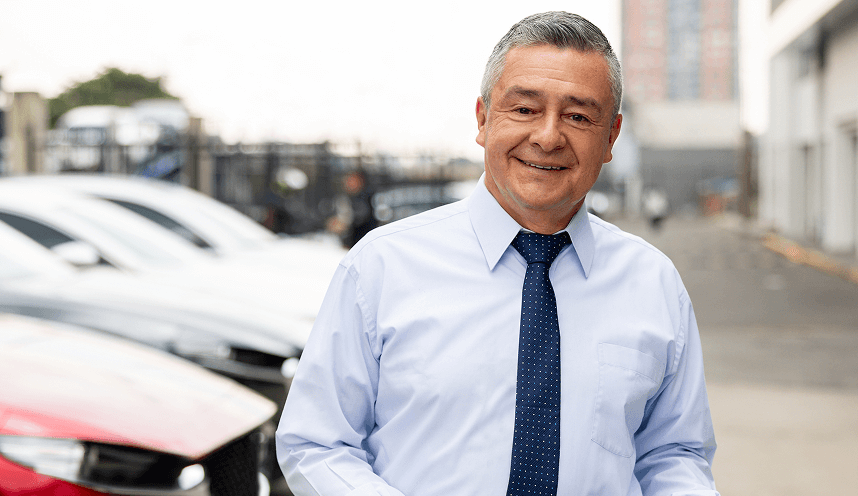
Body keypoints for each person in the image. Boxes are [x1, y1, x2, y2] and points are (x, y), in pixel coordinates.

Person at [275, 11, 718, 496]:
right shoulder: (382, 268)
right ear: (484, 119)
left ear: (610, 137)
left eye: (578, 116)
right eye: (525, 109)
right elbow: (316, 442)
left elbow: (674, 454)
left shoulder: (652, 282)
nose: (548, 136)